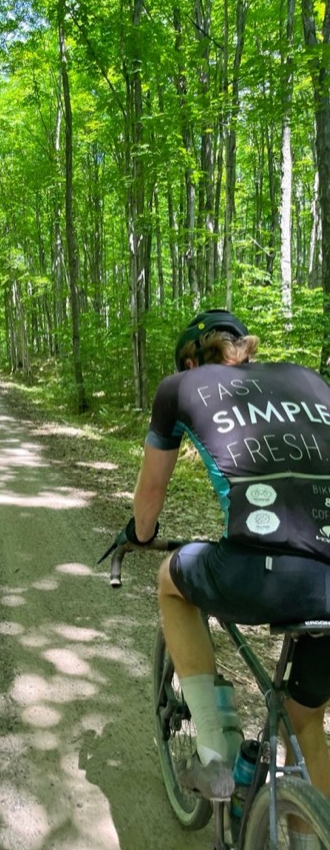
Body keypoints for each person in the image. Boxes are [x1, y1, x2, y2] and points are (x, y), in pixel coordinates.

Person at [116, 309, 330, 823]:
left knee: (171, 580)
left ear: (191, 359)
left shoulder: (179, 387)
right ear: (245, 349)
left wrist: (139, 535)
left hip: (258, 572)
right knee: (306, 723)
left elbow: (150, 493)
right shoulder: (306, 378)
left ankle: (215, 752)